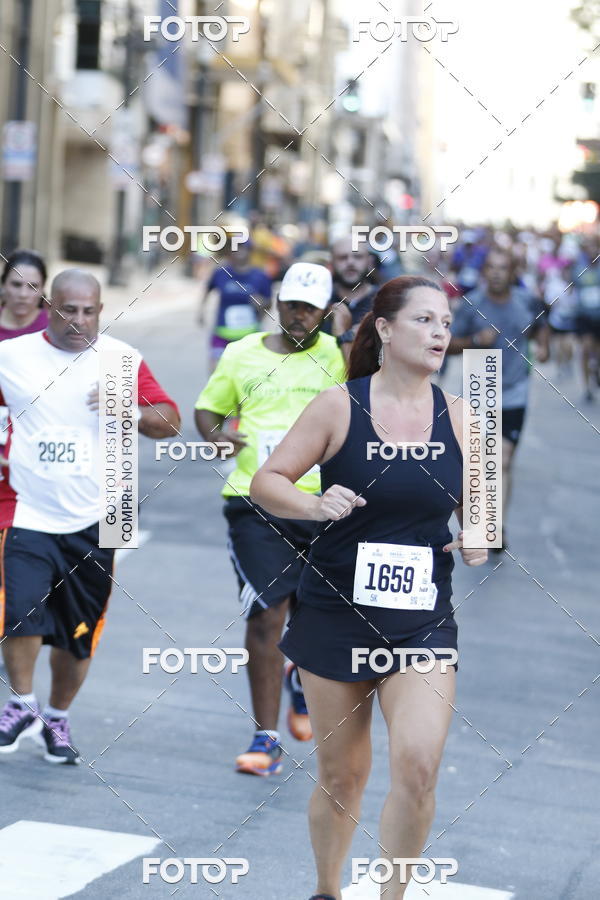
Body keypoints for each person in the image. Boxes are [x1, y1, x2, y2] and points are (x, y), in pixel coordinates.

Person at [250, 275, 486, 900]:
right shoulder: (339, 406)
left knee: (418, 766)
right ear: (384, 329)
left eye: (444, 323)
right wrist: (314, 503)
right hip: (336, 614)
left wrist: (476, 539)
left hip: (422, 623)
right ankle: (327, 891)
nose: (440, 333)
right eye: (424, 321)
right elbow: (267, 481)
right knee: (343, 775)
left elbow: (484, 520)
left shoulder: (462, 418)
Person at [0, 268, 180, 764]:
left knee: (79, 637)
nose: (78, 320)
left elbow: (170, 422)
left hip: (105, 515)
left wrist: (131, 409)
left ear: (101, 310)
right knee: (19, 613)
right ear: (48, 307)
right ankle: (20, 705)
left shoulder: (121, 360)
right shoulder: (12, 356)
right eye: (67, 309)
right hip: (30, 511)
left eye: (88, 311)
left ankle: (56, 717)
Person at [194, 262, 346, 776]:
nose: (299, 316)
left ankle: (299, 682)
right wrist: (216, 437)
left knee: (312, 614)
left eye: (309, 308)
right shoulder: (241, 355)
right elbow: (209, 410)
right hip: (254, 501)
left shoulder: (339, 358)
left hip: (324, 506)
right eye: (291, 305)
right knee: (265, 614)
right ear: (276, 304)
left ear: (324, 311)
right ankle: (265, 737)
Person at [448, 248, 549, 550]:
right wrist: (476, 341)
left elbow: (542, 324)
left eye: (502, 268)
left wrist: (543, 347)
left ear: (512, 272)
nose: (495, 273)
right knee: (479, 462)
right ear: (483, 271)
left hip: (515, 390)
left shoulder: (525, 301)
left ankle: (496, 526)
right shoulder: (471, 305)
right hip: (480, 385)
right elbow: (450, 345)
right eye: (490, 267)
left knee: (502, 461)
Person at [0, 251, 49, 453]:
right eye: (16, 284)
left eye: (32, 286)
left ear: (43, 289)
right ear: (3, 285)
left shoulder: (56, 328)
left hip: (39, 428)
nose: (23, 294)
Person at [199, 239, 273, 372]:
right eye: (235, 248)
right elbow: (207, 290)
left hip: (250, 336)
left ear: (250, 251)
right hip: (223, 333)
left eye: (243, 248)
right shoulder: (221, 273)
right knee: (216, 372)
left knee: (249, 376)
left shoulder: (260, 276)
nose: (239, 252)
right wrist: (201, 312)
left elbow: (270, 303)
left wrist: (261, 303)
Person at [326, 236, 379, 361]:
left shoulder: (387, 301)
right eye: (342, 257)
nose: (350, 262)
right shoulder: (319, 301)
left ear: (369, 261)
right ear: (332, 262)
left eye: (358, 257)